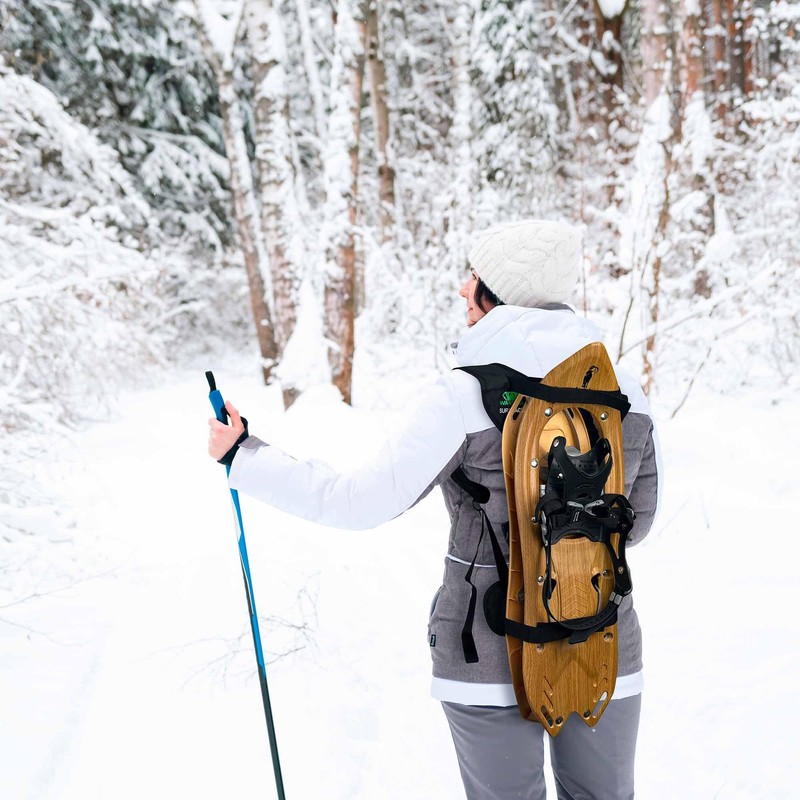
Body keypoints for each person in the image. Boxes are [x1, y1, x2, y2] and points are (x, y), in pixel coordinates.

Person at [208, 219, 660, 800]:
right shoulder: (626, 393)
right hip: (602, 639)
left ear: (495, 291)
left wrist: (244, 456)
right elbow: (637, 522)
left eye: (471, 277)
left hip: (486, 650)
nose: (460, 290)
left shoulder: (464, 393)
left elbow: (359, 502)